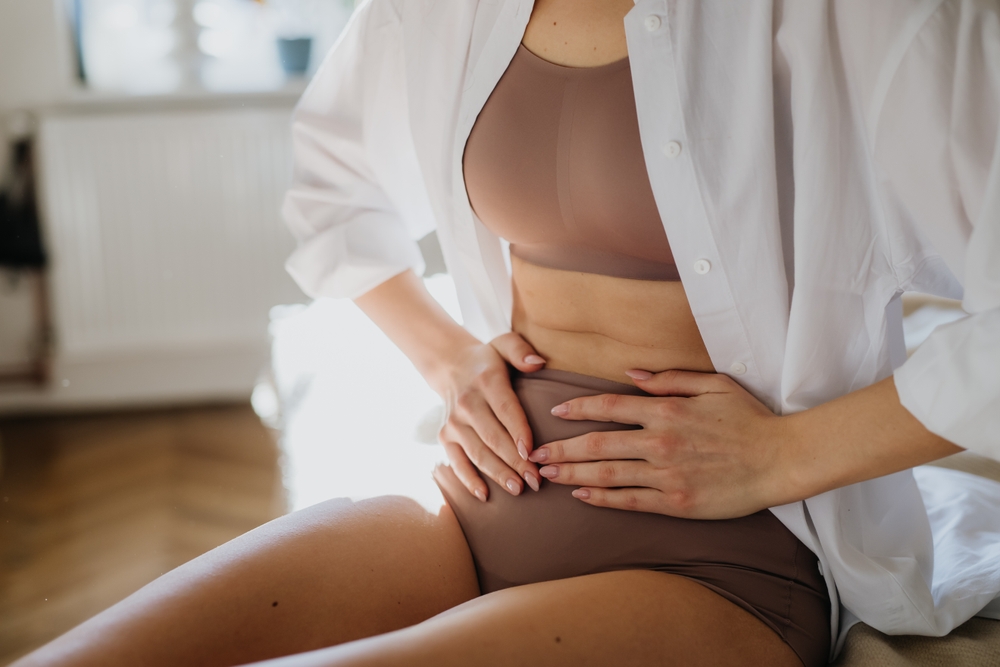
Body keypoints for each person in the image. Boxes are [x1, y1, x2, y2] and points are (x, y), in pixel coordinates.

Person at [15, 1, 1000, 666]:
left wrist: (782, 455)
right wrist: (447, 356)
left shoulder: (867, 19)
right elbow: (332, 190)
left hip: (726, 560)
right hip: (473, 504)